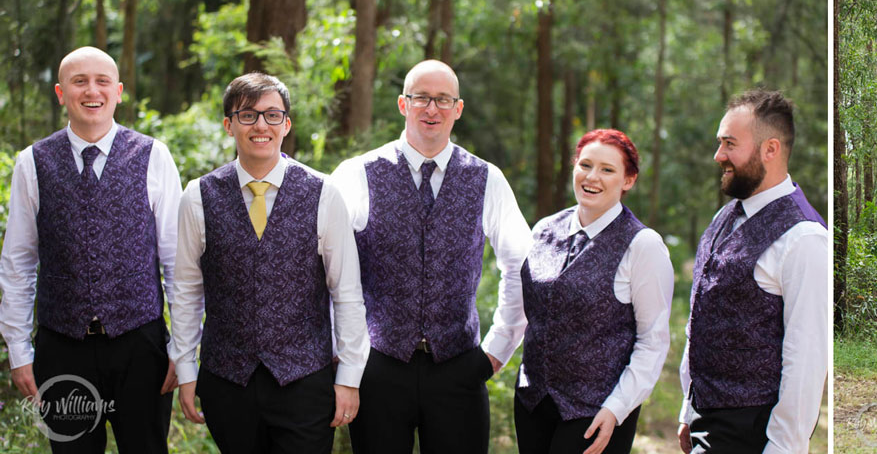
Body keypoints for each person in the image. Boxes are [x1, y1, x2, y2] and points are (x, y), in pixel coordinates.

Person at [332, 60, 532, 453]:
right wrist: (344, 356)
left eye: (443, 100)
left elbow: (521, 265)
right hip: (378, 366)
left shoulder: (486, 178)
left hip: (458, 368)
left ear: (458, 108)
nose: (432, 108)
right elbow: (326, 268)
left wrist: (496, 351)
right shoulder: (357, 174)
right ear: (403, 104)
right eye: (421, 98)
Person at [171, 73, 369, 452]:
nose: (261, 125)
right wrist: (185, 368)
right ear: (229, 125)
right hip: (227, 381)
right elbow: (186, 291)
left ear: (287, 124)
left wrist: (349, 376)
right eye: (248, 115)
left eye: (272, 115)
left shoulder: (324, 194)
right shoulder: (197, 197)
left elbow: (346, 291)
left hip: (305, 382)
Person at [0, 46, 181, 452]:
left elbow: (177, 263)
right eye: (79, 81)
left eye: (102, 81)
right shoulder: (33, 163)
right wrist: (18, 350)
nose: (91, 91)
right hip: (61, 347)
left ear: (118, 92)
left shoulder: (154, 156)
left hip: (141, 344)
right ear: (61, 93)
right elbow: (18, 263)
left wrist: (182, 347)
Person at [490, 129, 673, 454]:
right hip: (533, 404)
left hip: (596, 413)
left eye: (607, 169)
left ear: (628, 180)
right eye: (586, 165)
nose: (593, 177)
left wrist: (617, 408)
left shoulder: (643, 246)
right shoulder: (544, 230)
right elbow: (523, 310)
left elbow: (653, 341)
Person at [676, 90, 827, 454]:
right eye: (719, 143)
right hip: (707, 418)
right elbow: (703, 316)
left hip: (753, 429)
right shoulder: (726, 216)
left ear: (770, 149)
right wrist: (689, 408)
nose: (718, 156)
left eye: (730, 144)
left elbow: (806, 359)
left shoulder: (804, 238)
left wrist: (782, 447)